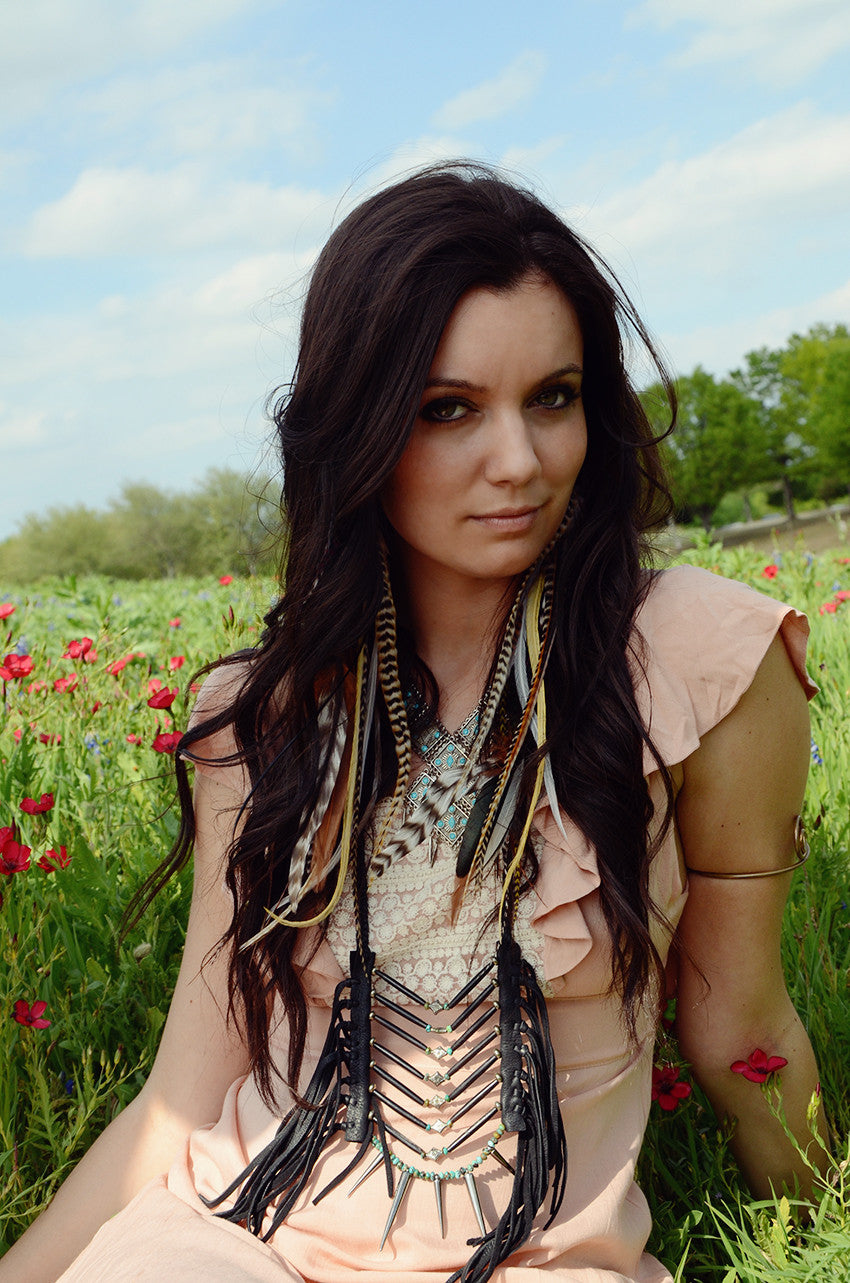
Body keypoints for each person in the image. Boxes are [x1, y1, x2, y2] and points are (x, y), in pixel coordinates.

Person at [3, 163, 825, 1283]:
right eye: (448, 409)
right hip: (228, 1241)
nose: (519, 461)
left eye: (554, 396)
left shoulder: (693, 658)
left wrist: (823, 1234)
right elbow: (178, 1104)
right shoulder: (267, 712)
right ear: (362, 426)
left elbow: (742, 1026)